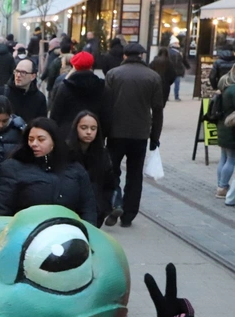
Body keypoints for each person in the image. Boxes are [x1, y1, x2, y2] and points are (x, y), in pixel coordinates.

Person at [0, 117, 97, 225]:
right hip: (27, 231)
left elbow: (88, 208)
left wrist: (86, 230)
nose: (34, 144)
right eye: (31, 139)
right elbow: (1, 208)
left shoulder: (75, 169)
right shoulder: (13, 168)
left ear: (54, 141)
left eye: (41, 139)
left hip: (68, 231)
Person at [105, 42, 164, 227]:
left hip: (115, 132)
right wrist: (155, 137)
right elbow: (158, 110)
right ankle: (128, 215)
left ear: (124, 55)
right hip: (140, 134)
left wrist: (103, 132)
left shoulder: (113, 74)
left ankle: (115, 202)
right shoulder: (153, 77)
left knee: (111, 170)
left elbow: (105, 105)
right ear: (142, 56)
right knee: (135, 175)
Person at [66, 111, 120, 227]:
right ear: (76, 128)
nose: (89, 132)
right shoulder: (66, 152)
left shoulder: (102, 154)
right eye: (84, 128)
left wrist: (103, 208)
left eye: (93, 128)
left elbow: (109, 184)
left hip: (95, 212)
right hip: (70, 212)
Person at [49, 51, 113, 139]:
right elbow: (107, 115)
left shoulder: (65, 87)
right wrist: (101, 135)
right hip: (93, 134)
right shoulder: (102, 87)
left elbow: (55, 114)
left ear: (74, 66)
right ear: (91, 66)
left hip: (68, 135)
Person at [0, 58, 47, 123]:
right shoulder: (0, 92)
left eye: (23, 72)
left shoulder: (39, 98)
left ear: (33, 76)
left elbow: (41, 124)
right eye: (17, 71)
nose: (18, 75)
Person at [216, 65, 235, 200]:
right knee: (231, 158)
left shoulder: (224, 84)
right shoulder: (233, 90)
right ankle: (222, 187)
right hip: (231, 128)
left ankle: (220, 186)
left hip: (222, 125)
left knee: (224, 157)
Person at [168, 37, 190, 101]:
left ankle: (174, 96)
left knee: (172, 84)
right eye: (176, 43)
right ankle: (176, 96)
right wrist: (187, 66)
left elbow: (183, 60)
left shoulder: (178, 52)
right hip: (175, 70)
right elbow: (183, 60)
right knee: (175, 84)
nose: (178, 44)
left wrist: (187, 66)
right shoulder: (177, 52)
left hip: (174, 70)